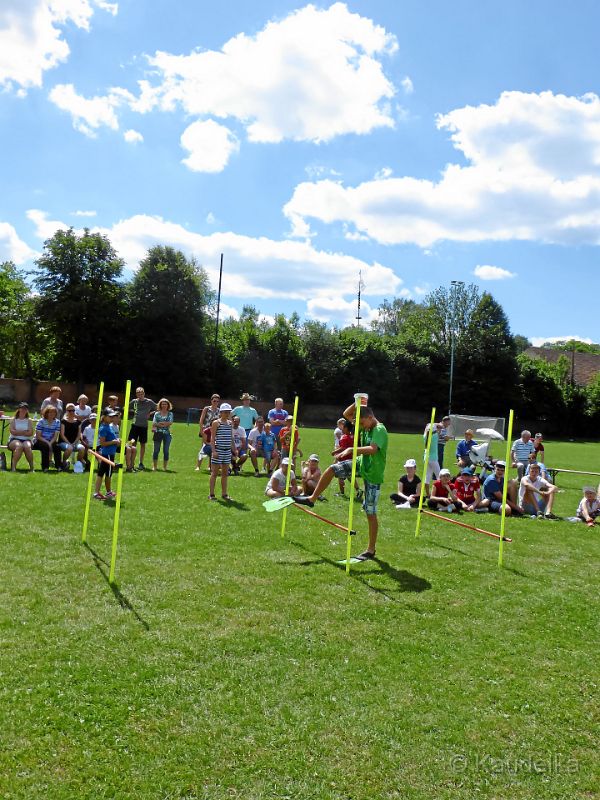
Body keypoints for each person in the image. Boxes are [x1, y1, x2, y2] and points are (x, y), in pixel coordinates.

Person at [296, 401, 388, 562]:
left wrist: (352, 449)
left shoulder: (380, 430)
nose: (360, 427)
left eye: (362, 423)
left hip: (373, 472)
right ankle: (312, 499)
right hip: (361, 463)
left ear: (370, 417)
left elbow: (373, 449)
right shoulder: (365, 425)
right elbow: (346, 414)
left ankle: (371, 549)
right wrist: (357, 401)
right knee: (332, 469)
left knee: (370, 512)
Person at [208, 403, 238, 501]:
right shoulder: (216, 423)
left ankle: (224, 494)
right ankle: (211, 494)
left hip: (227, 451)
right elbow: (212, 438)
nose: (227, 414)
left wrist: (234, 449)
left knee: (225, 474)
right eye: (225, 412)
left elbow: (231, 437)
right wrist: (214, 451)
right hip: (218, 450)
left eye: (228, 412)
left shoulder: (230, 423)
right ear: (221, 412)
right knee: (214, 473)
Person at [128, 387, 157, 470]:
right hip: (134, 426)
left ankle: (141, 463)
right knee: (131, 443)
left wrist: (150, 413)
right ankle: (131, 463)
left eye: (141, 394)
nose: (140, 395)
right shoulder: (134, 401)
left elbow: (158, 408)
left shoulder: (149, 402)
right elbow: (125, 407)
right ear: (136, 394)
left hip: (144, 427)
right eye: (138, 394)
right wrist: (133, 412)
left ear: (144, 394)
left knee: (142, 444)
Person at [94, 408, 120, 500]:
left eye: (113, 416)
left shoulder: (108, 426)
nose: (112, 418)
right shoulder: (103, 428)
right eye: (110, 416)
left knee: (101, 473)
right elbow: (102, 443)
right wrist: (114, 442)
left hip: (109, 453)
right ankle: (108, 492)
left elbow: (111, 439)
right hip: (108, 454)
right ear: (104, 417)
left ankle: (96, 493)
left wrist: (116, 440)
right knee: (108, 473)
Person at [332, 419, 360, 497]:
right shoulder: (352, 436)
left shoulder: (344, 437)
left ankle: (342, 493)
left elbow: (343, 448)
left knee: (340, 477)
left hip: (343, 460)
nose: (342, 429)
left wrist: (334, 452)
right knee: (350, 477)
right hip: (351, 459)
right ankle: (358, 490)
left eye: (343, 427)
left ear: (346, 428)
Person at [32, 405, 62, 472]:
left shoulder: (57, 422)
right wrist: (48, 443)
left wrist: (50, 443)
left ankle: (58, 466)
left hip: (51, 440)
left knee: (57, 447)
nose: (52, 414)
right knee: (45, 447)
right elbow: (38, 436)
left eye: (54, 412)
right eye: (50, 412)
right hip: (39, 440)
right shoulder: (41, 421)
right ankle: (45, 467)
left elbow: (55, 436)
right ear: (46, 413)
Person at [7, 403, 34, 471]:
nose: (23, 410)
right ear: (19, 409)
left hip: (26, 440)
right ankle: (13, 467)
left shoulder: (29, 420)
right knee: (19, 446)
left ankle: (32, 468)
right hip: (14, 439)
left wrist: (18, 432)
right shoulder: (13, 419)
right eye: (22, 408)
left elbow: (30, 433)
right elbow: (12, 431)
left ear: (27, 410)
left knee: (27, 447)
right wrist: (24, 432)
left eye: (25, 409)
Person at [197, 394, 221, 469]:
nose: (215, 402)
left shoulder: (219, 410)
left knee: (213, 447)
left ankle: (210, 466)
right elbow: (201, 420)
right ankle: (198, 466)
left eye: (217, 401)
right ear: (211, 401)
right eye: (214, 401)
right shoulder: (206, 409)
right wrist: (201, 430)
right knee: (203, 447)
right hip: (206, 430)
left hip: (215, 431)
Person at [59, 403, 85, 469]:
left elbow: (78, 435)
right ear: (66, 411)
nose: (71, 412)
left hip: (74, 443)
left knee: (82, 448)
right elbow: (62, 435)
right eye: (69, 411)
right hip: (63, 442)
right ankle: (64, 463)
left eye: (73, 410)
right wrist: (69, 443)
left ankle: (78, 463)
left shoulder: (78, 422)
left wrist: (74, 443)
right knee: (69, 448)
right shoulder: (63, 421)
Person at [151, 398, 174, 471]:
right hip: (157, 433)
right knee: (156, 450)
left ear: (168, 405)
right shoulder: (156, 414)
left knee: (166, 451)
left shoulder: (170, 414)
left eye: (165, 404)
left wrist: (160, 424)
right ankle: (154, 466)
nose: (164, 405)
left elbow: (170, 422)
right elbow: (154, 423)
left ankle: (165, 467)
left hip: (167, 434)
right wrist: (163, 424)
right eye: (162, 404)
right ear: (160, 405)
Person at [423, 421, 441, 496]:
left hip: (426, 458)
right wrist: (438, 425)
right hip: (433, 459)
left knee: (427, 477)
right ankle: (439, 493)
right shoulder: (435, 436)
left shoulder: (425, 436)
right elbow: (439, 430)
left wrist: (430, 425)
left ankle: (428, 494)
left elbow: (426, 430)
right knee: (439, 476)